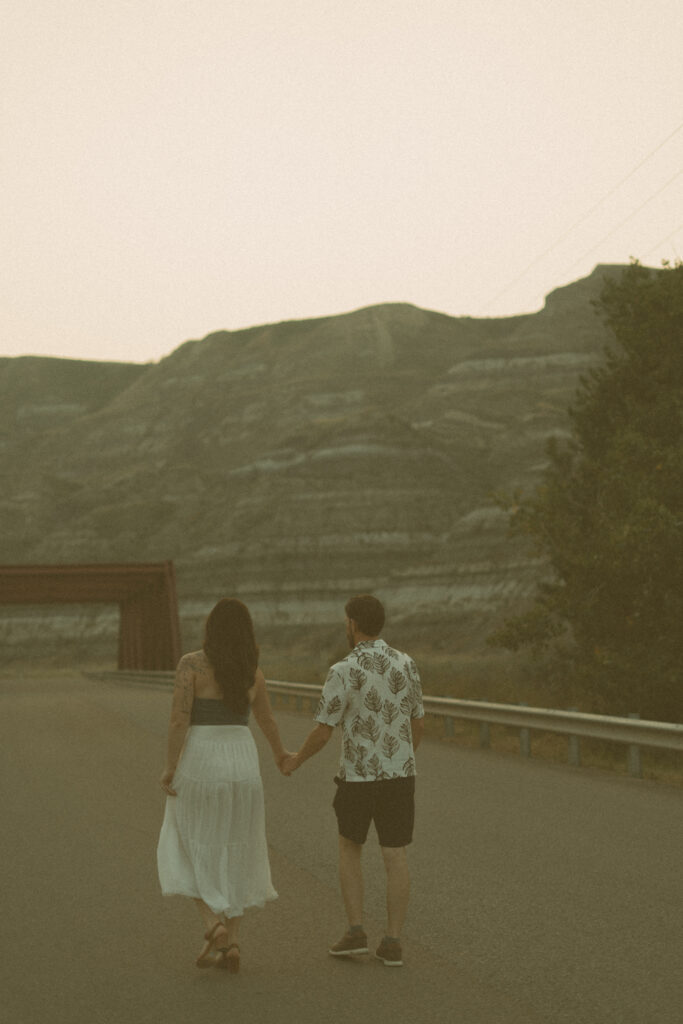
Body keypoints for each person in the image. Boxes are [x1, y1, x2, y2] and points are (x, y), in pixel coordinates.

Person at [282, 594, 424, 967]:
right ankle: (393, 941)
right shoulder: (407, 664)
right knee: (395, 853)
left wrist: (296, 758)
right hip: (399, 774)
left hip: (358, 776)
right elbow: (418, 722)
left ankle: (356, 931)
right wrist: (401, 758)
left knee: (350, 848)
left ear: (352, 624)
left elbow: (324, 731)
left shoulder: (343, 670)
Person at [157, 598, 290, 972]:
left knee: (184, 840)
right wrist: (281, 756)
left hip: (202, 758)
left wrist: (170, 767)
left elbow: (177, 721)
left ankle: (212, 925)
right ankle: (231, 944)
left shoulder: (191, 665)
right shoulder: (253, 672)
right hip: (243, 762)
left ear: (211, 628)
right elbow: (267, 721)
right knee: (239, 847)